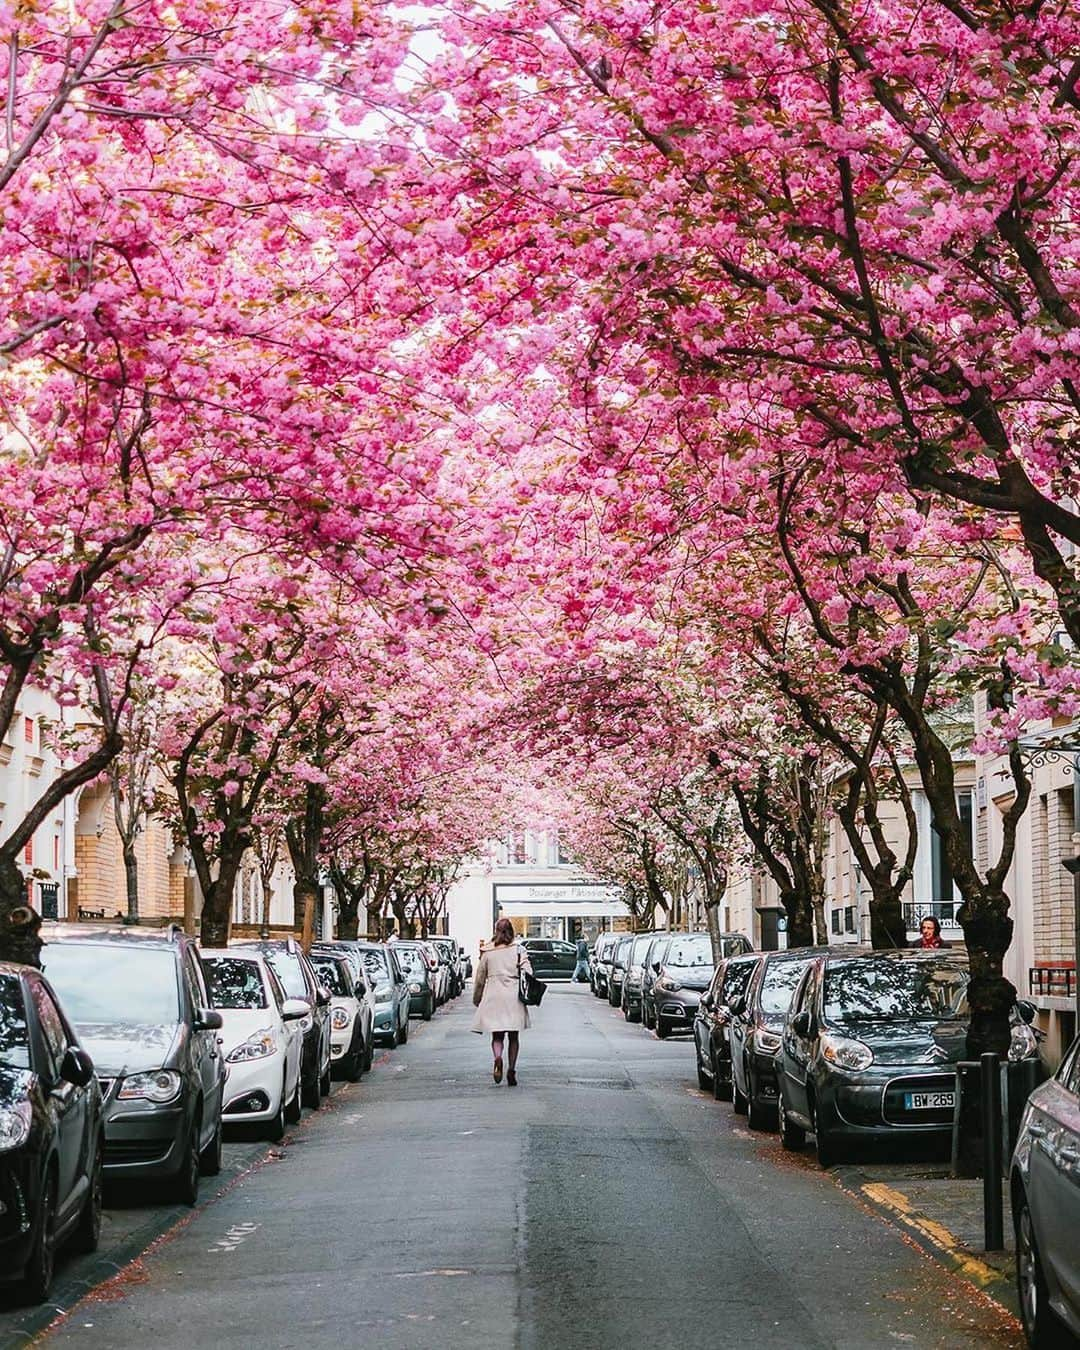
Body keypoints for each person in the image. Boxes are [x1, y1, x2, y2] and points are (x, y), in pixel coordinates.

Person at [471, 917, 533, 1086]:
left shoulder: (488, 952)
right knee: (514, 1036)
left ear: (496, 931)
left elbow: (479, 978)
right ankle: (511, 1069)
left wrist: (477, 998)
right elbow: (528, 972)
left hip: (494, 995)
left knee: (497, 1035)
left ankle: (497, 1057)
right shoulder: (518, 949)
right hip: (513, 996)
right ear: (512, 931)